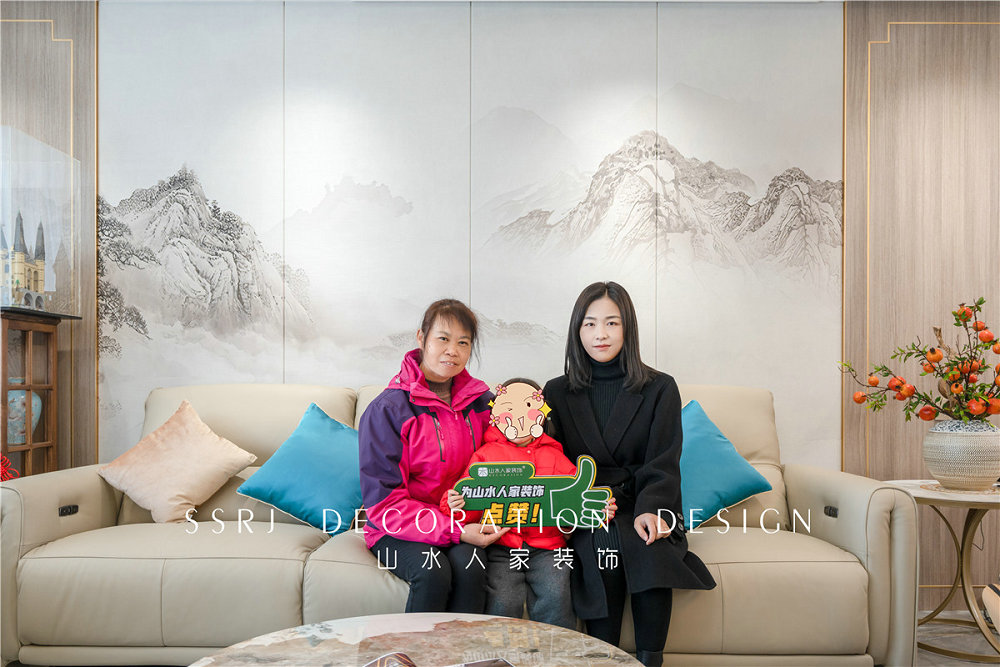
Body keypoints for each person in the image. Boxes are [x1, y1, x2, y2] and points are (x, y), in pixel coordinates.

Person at [543, 282, 716, 667]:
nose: (600, 334)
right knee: (602, 546)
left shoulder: (659, 388)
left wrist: (651, 509)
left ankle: (651, 659)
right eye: (589, 324)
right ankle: (602, 658)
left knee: (648, 543)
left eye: (611, 323)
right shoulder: (556, 392)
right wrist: (579, 506)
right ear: (577, 330)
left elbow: (663, 461)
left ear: (628, 328)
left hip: (643, 499)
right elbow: (551, 461)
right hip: (588, 505)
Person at [359, 299, 509, 613]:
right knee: (433, 571)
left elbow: (513, 453)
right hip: (395, 527)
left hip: (460, 519)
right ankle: (416, 647)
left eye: (463, 342)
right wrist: (456, 530)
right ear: (421, 338)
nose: (452, 350)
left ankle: (466, 647)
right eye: (443, 338)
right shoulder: (388, 410)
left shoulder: (483, 403)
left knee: (471, 568)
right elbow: (383, 503)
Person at [441, 378, 617, 629]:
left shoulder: (555, 456)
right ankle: (500, 649)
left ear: (542, 415)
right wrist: (454, 504)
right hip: (501, 546)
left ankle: (556, 649)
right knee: (503, 600)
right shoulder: (485, 455)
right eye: (509, 410)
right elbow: (468, 499)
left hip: (549, 548)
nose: (519, 419)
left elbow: (577, 499)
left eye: (527, 408)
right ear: (496, 416)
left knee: (556, 597)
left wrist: (599, 510)